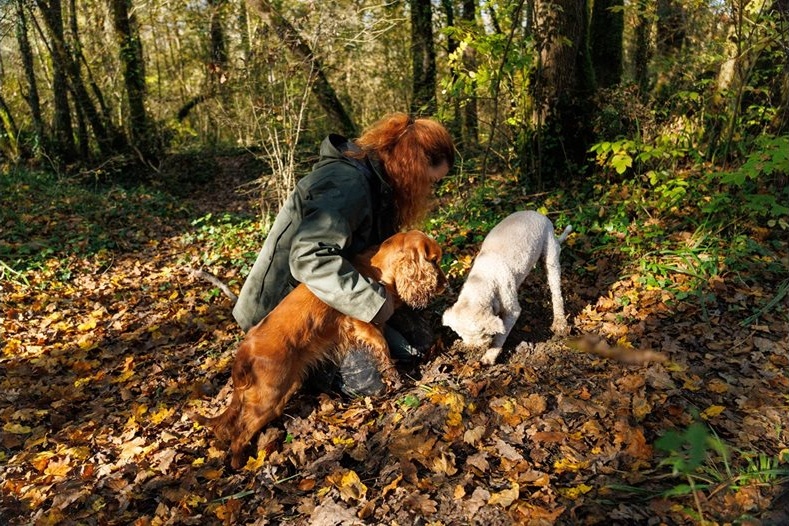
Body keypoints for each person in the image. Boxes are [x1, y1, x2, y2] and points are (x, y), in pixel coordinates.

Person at [232, 112, 456, 396]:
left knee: (419, 344)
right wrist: (373, 303)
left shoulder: (383, 184)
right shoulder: (347, 184)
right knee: (369, 383)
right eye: (430, 181)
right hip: (287, 315)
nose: (428, 190)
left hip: (336, 298)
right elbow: (310, 258)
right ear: (412, 165)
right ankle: (302, 370)